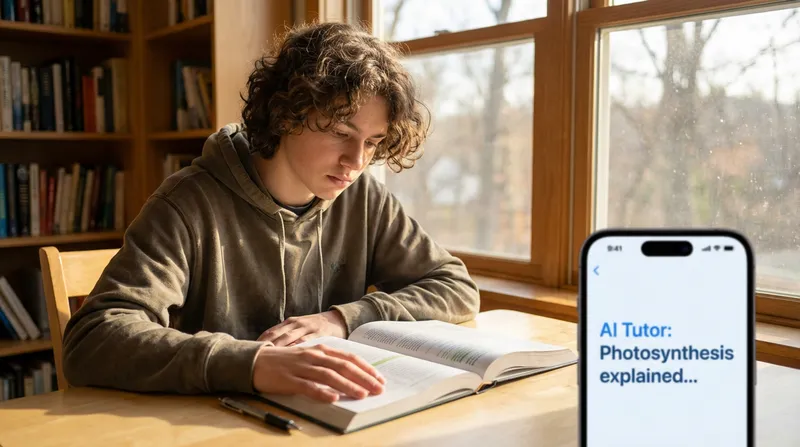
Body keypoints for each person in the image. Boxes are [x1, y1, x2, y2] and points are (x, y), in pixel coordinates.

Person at [62, 21, 480, 404]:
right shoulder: (189, 202)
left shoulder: (363, 198)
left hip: (324, 419)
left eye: (372, 142)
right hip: (210, 427)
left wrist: (343, 319)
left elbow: (456, 287)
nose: (356, 161)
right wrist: (254, 363)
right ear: (286, 114)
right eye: (340, 133)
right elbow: (92, 339)